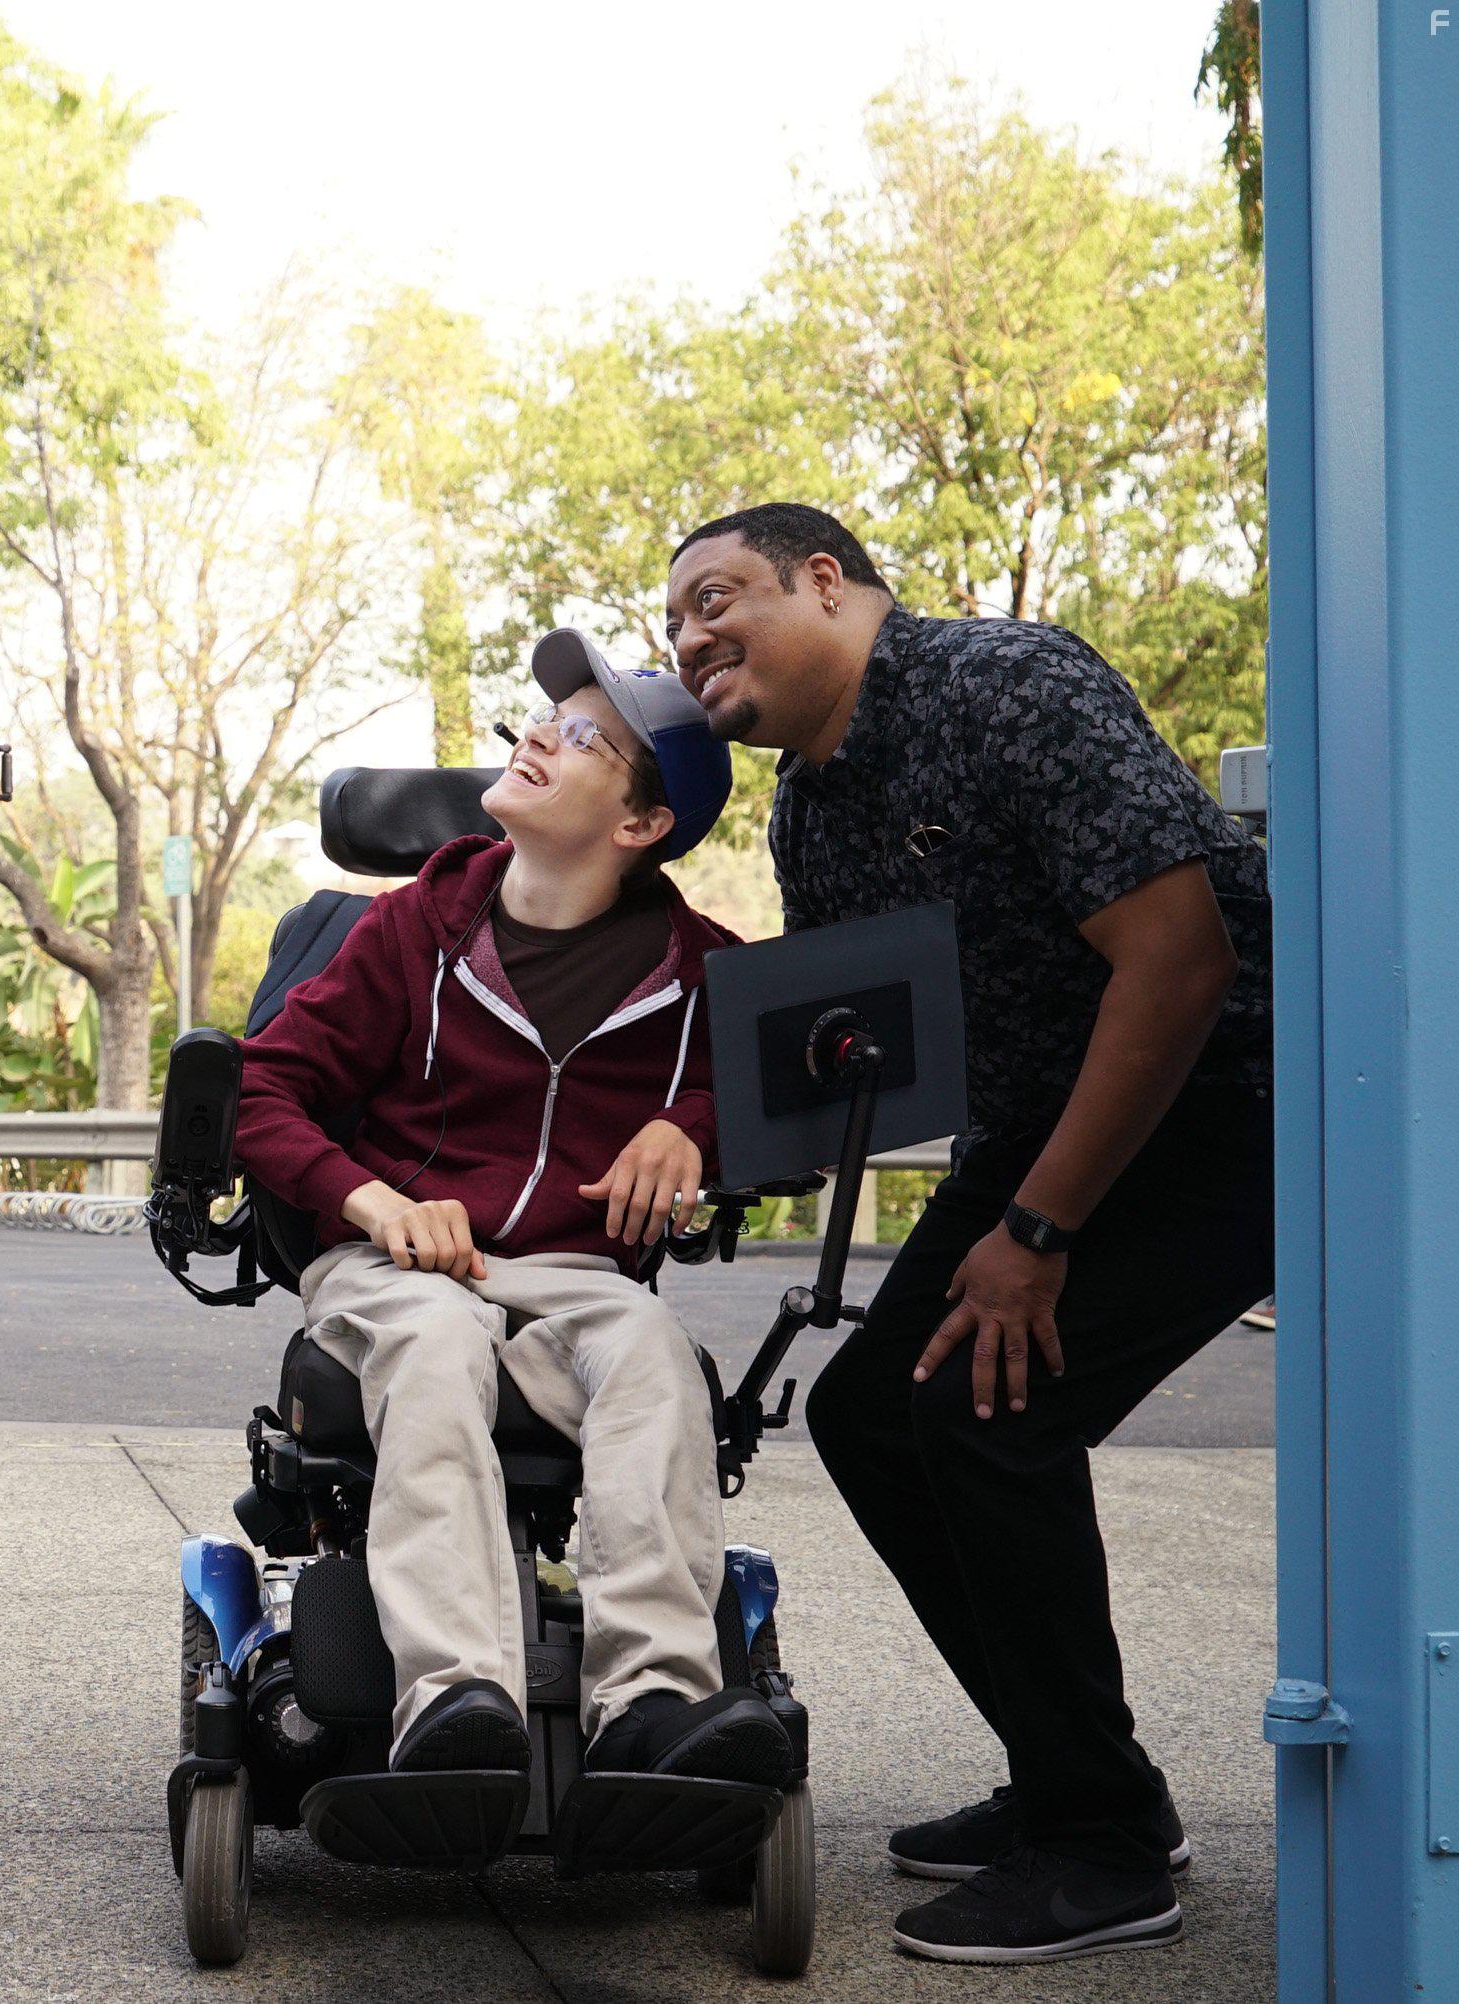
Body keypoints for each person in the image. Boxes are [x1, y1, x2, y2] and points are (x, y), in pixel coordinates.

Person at [664, 502, 1270, 1965]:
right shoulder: (812, 804)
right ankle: (1086, 1777)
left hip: (1234, 1102)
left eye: (714, 598)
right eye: (671, 626)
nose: (687, 640)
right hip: (1041, 1122)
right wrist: (673, 1158)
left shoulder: (1009, 687)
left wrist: (1040, 1228)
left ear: (827, 580)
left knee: (989, 1409)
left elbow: (1178, 963)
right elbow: (855, 1060)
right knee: (876, 1413)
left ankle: (1106, 1853)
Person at [230, 631, 795, 1788]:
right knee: (436, 1344)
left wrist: (692, 1125)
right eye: (540, 719)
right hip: (399, 1271)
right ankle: (456, 1697)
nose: (539, 733)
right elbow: (257, 1090)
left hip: (575, 1287)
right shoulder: (408, 934)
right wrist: (373, 1199)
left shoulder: (702, 978)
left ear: (640, 825)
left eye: (584, 734)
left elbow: (810, 1071)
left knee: (654, 1357)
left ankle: (651, 1706)